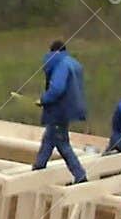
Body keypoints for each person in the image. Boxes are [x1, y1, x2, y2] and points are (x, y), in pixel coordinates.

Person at [31, 39, 87, 183]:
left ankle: (80, 175)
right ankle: (38, 167)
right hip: (68, 110)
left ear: (53, 52)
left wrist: (43, 100)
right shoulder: (74, 64)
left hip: (59, 110)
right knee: (49, 139)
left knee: (62, 143)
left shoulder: (60, 65)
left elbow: (57, 89)